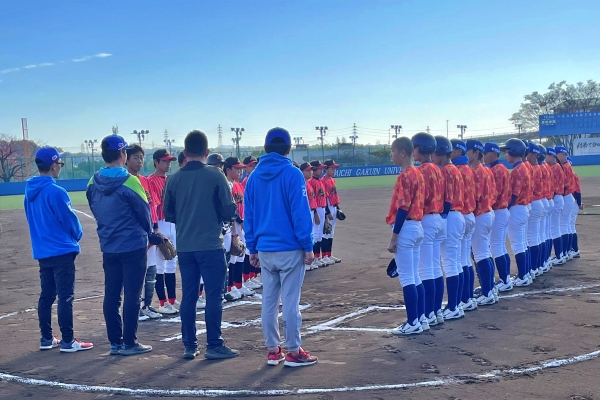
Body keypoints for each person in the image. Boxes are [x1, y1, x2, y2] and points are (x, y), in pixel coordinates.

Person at [163, 130, 240, 360]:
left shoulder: (173, 178)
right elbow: (229, 210)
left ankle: (189, 345)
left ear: (185, 152)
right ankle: (214, 344)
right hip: (210, 244)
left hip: (185, 246)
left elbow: (168, 213)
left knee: (189, 295)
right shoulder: (215, 175)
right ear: (206, 152)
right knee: (214, 295)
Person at [245, 127, 317, 367]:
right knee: (290, 301)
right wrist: (307, 245)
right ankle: (294, 350)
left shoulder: (254, 176)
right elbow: (300, 213)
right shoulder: (292, 173)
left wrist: (252, 247)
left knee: (269, 300)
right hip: (290, 248)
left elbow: (249, 216)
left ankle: (273, 350)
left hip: (265, 249)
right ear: (288, 148)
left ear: (266, 148)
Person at [86, 135, 152, 356]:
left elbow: (94, 207)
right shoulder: (130, 181)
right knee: (132, 295)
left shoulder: (92, 181)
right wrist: (151, 234)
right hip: (133, 244)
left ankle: (115, 342)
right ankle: (130, 342)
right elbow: (144, 214)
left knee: (112, 294)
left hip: (109, 245)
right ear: (123, 154)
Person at [24, 147, 93, 353]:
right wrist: (77, 235)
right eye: (59, 163)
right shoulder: (56, 191)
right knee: (65, 296)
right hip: (61, 250)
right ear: (53, 165)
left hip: (43, 250)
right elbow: (70, 221)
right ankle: (68, 341)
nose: (60, 166)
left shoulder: (29, 192)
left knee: (46, 295)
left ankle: (46, 338)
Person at [386, 137, 425, 335]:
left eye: (393, 151)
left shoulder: (405, 176)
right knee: (415, 275)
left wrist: (394, 237)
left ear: (402, 153)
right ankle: (421, 318)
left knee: (407, 277)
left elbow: (403, 208)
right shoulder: (417, 173)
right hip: (417, 226)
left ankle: (412, 322)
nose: (391, 155)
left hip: (407, 228)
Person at [125, 144, 163, 321]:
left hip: (149, 230)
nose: (140, 161)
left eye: (141, 157)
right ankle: (136, 307)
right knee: (136, 272)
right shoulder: (125, 180)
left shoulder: (145, 180)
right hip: (135, 233)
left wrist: (155, 227)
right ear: (126, 159)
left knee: (151, 269)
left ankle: (146, 305)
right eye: (136, 157)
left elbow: (152, 206)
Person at [411, 133, 445, 329]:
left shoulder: (422, 170)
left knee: (425, 269)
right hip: (438, 218)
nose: (413, 152)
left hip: (426, 219)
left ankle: (428, 313)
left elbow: (419, 199)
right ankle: (436, 311)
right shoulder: (437, 169)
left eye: (415, 148)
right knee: (434, 267)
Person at [432, 136, 465, 321]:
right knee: (454, 262)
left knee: (450, 262)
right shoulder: (453, 169)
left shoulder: (447, 170)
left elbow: (447, 199)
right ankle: (456, 305)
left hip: (450, 216)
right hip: (456, 216)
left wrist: (442, 218)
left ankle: (453, 306)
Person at [147, 149, 180, 316]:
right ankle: (162, 302)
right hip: (160, 223)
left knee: (172, 262)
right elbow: (154, 205)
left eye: (169, 161)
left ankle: (172, 299)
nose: (168, 164)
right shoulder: (150, 181)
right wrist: (155, 228)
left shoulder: (171, 180)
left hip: (173, 223)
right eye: (165, 161)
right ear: (156, 162)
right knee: (160, 264)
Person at [465, 140, 495, 305]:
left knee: (480, 254)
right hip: (487, 212)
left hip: (480, 214)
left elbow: (474, 197)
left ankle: (487, 292)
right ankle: (489, 288)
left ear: (476, 153)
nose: (465, 154)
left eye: (468, 151)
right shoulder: (486, 170)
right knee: (484, 253)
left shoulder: (476, 171)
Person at [224, 156, 257, 298]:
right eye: (237, 169)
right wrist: (237, 223)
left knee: (240, 254)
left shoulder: (237, 184)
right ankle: (230, 286)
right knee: (232, 255)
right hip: (233, 224)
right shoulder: (227, 185)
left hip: (240, 222)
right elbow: (230, 208)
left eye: (241, 169)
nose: (240, 171)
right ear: (228, 169)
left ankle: (238, 284)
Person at [450, 139, 477, 311]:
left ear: (458, 151)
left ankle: (462, 299)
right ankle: (468, 297)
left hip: (462, 213)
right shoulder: (467, 168)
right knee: (464, 260)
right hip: (469, 214)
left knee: (458, 261)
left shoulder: (457, 169)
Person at [500, 139, 531, 287]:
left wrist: (505, 208)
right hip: (522, 208)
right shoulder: (523, 167)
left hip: (517, 208)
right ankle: (526, 273)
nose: (505, 154)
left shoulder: (518, 170)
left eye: (507, 151)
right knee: (522, 243)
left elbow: (514, 194)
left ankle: (523, 275)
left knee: (518, 244)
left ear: (514, 151)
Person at [483, 142, 512, 291]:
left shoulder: (497, 169)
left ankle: (505, 280)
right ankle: (505, 278)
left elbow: (495, 193)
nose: (483, 156)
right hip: (502, 210)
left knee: (496, 247)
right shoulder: (500, 168)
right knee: (499, 246)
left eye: (485, 153)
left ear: (494, 154)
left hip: (499, 210)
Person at [525, 142, 545, 278]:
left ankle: (534, 267)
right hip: (540, 201)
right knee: (537, 236)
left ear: (534, 155)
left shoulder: (534, 168)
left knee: (532, 237)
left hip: (535, 201)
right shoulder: (540, 167)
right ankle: (539, 265)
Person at [309, 160, 332, 267]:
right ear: (314, 169)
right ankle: (314, 258)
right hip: (316, 209)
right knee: (316, 234)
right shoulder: (311, 182)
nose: (321, 170)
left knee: (319, 234)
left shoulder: (320, 181)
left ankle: (318, 257)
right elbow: (312, 199)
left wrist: (326, 211)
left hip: (322, 208)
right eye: (319, 168)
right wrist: (315, 213)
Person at [555, 146, 576, 262]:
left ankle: (564, 252)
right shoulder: (567, 166)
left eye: (557, 154)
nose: (556, 156)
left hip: (566, 196)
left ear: (563, 154)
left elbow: (565, 184)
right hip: (568, 197)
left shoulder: (565, 166)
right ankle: (567, 252)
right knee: (566, 225)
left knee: (563, 225)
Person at [321, 159, 343, 264]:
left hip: (333, 207)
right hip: (327, 208)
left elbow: (334, 196)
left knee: (331, 233)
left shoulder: (332, 180)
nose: (334, 171)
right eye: (332, 169)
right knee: (326, 232)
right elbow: (323, 198)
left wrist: (338, 209)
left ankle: (329, 255)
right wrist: (327, 212)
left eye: (335, 169)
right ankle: (324, 256)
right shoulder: (323, 181)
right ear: (326, 169)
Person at [546, 147, 565, 265]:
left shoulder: (555, 168)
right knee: (555, 228)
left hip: (556, 197)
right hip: (558, 197)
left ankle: (558, 255)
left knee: (554, 228)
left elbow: (552, 186)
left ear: (551, 156)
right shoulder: (556, 166)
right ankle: (559, 254)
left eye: (546, 155)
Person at [298, 162, 319, 271]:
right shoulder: (302, 184)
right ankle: (305, 260)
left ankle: (310, 260)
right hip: (305, 212)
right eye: (307, 170)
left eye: (311, 170)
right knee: (306, 235)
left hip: (311, 211)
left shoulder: (308, 183)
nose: (310, 172)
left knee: (312, 235)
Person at [537, 145, 554, 272]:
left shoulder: (537, 168)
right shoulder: (546, 167)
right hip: (547, 200)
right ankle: (545, 261)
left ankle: (539, 264)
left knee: (534, 237)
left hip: (540, 200)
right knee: (545, 234)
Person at [567, 156, 582, 259]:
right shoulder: (572, 174)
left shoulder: (572, 175)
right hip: (573, 202)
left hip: (573, 203)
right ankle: (571, 249)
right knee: (568, 226)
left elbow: (577, 191)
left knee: (570, 226)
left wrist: (579, 203)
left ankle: (575, 249)